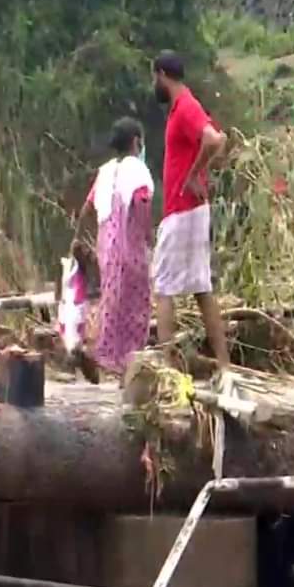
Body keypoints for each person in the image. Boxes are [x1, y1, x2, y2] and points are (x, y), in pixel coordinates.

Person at [150, 51, 230, 369]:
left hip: (181, 209)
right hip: (192, 209)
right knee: (201, 287)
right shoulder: (186, 106)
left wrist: (193, 174)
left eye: (153, 77)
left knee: (164, 287)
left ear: (161, 75)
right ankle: (224, 366)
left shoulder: (185, 107)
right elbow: (218, 140)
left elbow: (213, 140)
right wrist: (199, 171)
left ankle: (167, 368)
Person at [73, 117, 155, 374]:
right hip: (129, 243)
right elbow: (142, 203)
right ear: (136, 142)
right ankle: (127, 361)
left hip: (106, 246)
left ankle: (106, 353)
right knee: (136, 304)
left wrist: (77, 237)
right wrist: (148, 235)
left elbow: (88, 207)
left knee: (112, 300)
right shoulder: (137, 170)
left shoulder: (105, 171)